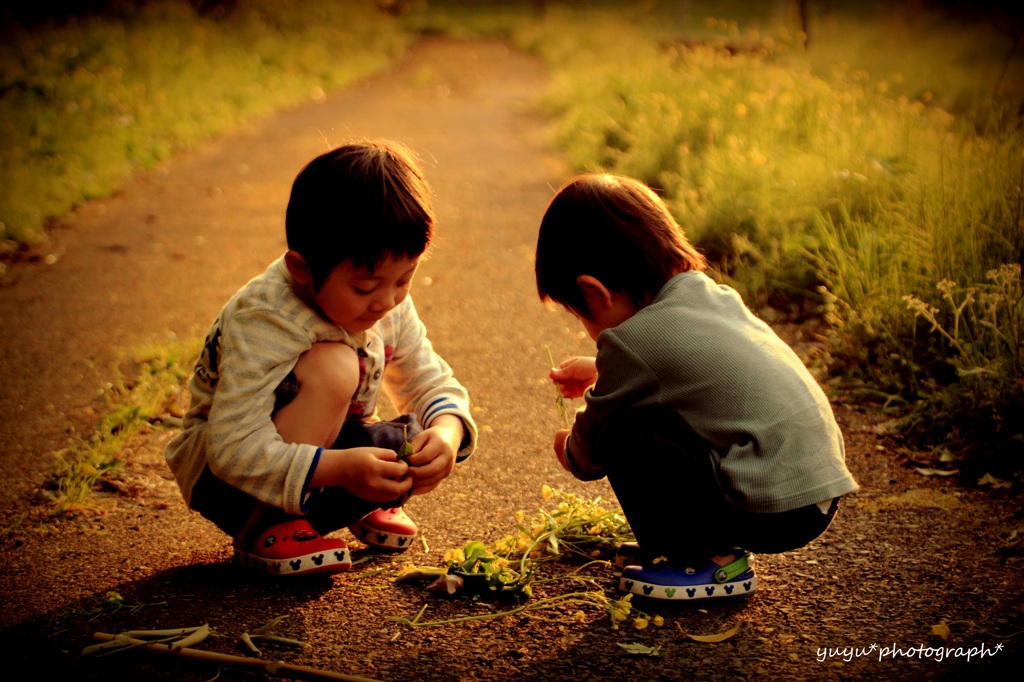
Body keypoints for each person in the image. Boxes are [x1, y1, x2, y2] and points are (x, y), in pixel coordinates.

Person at [535, 174, 858, 601]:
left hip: (772, 511)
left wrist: (570, 450)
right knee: (662, 418)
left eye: (579, 315)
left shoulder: (632, 341)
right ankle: (694, 546)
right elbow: (695, 376)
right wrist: (601, 368)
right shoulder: (709, 296)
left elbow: (591, 450)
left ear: (593, 292)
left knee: (624, 431)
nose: (586, 328)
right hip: (811, 495)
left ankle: (699, 561)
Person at [166, 140, 477, 577]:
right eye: (365, 288)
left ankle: (347, 502)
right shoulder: (267, 317)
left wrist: (446, 435)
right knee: (335, 367)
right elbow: (231, 449)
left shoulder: (385, 300)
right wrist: (338, 469)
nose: (386, 302)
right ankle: (269, 522)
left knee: (399, 449)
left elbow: (427, 379)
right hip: (228, 476)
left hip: (318, 451)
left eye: (404, 279)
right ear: (302, 270)